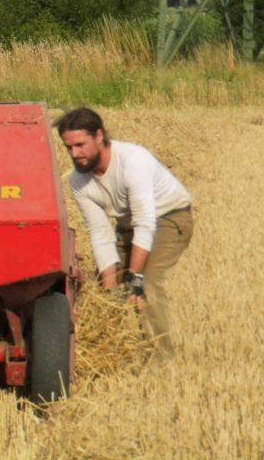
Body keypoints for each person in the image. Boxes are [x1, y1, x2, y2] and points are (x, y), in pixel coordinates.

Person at [55, 107, 193, 355]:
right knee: (105, 286)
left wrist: (135, 277)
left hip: (170, 217)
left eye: (80, 145)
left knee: (147, 283)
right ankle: (122, 350)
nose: (75, 154)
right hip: (129, 225)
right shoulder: (78, 181)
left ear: (99, 136)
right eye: (69, 148)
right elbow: (100, 234)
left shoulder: (132, 161)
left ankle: (163, 353)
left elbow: (145, 222)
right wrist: (111, 290)